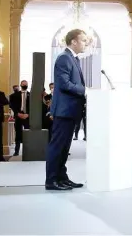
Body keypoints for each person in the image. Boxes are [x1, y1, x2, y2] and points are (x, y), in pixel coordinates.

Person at [45, 29, 87, 190]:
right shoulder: (64, 58)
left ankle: (62, 177)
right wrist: (85, 90)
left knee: (64, 148)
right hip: (63, 110)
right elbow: (64, 84)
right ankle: (51, 180)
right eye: (83, 40)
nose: (85, 43)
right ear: (73, 41)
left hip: (71, 110)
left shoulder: (73, 59)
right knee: (57, 146)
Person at [9, 80, 30, 156]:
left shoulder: (30, 95)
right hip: (18, 116)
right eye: (23, 84)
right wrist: (17, 113)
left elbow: (33, 106)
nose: (24, 86)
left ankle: (28, 150)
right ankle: (16, 151)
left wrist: (28, 114)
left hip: (27, 117)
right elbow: (12, 105)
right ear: (21, 85)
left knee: (28, 133)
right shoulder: (14, 95)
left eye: (26, 85)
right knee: (18, 134)